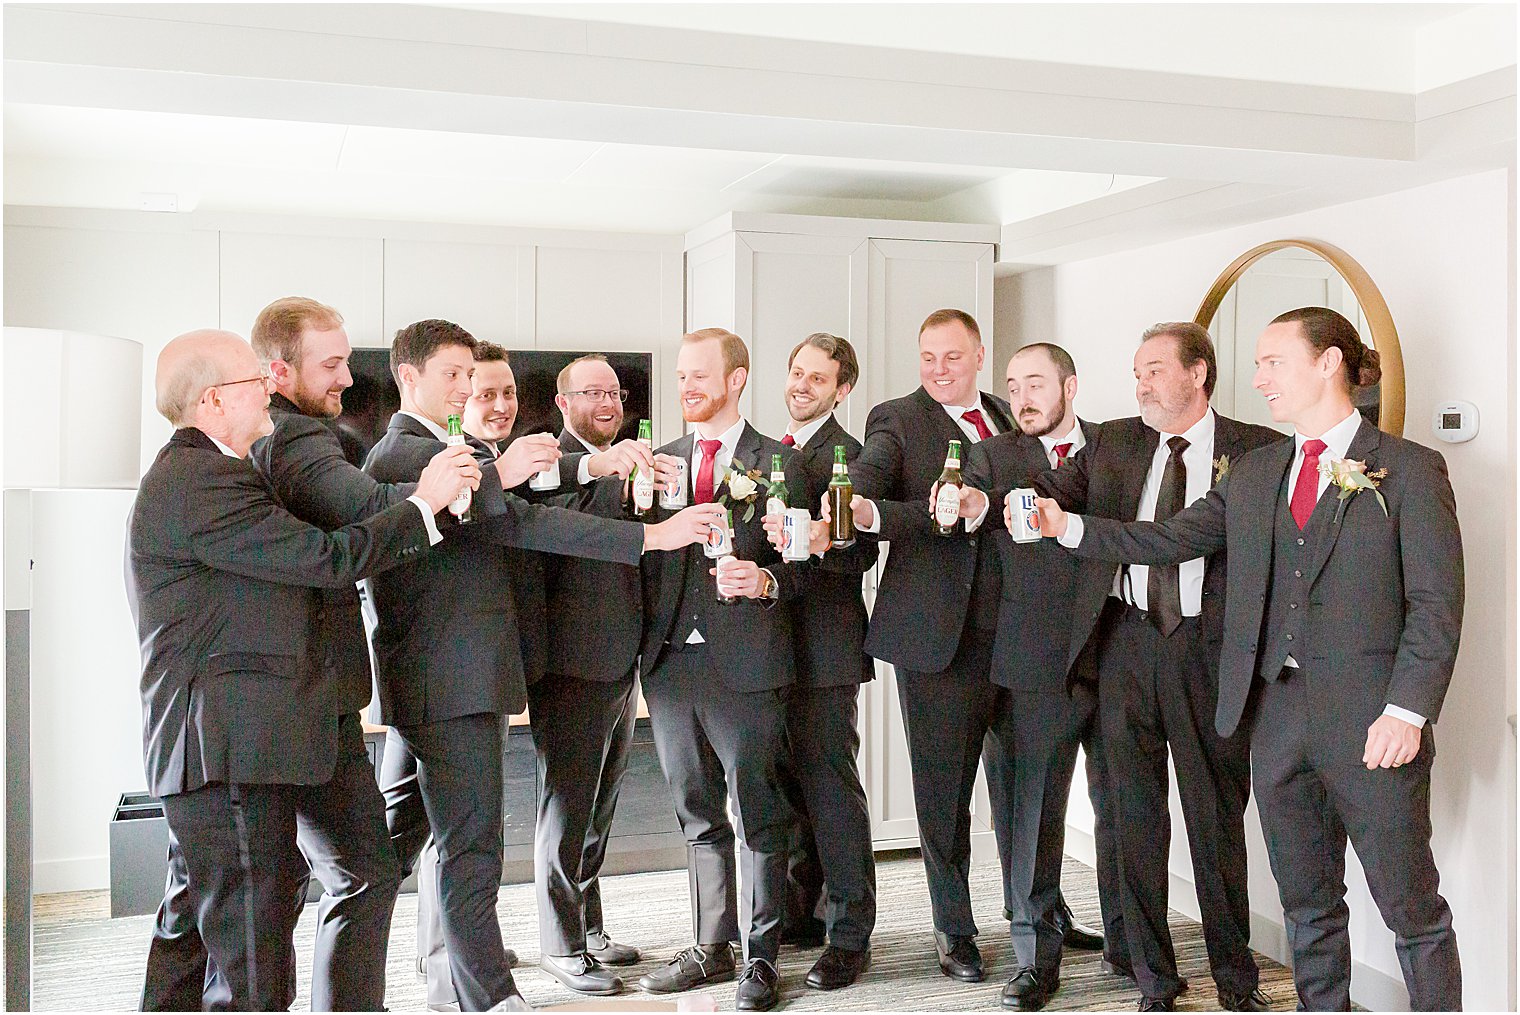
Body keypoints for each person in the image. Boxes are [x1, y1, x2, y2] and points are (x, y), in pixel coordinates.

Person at [1037, 307, 1464, 1012]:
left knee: (1411, 912)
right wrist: (1068, 525)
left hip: (1375, 727)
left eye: (1273, 362)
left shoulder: (1412, 470)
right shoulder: (1258, 471)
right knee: (1308, 907)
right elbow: (1169, 538)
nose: (1259, 377)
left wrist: (1407, 710)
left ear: (1329, 363)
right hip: (1277, 721)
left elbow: (1436, 606)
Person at [366, 319, 720, 1012]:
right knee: (460, 847)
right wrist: (652, 533)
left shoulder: (452, 449)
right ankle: (482, 992)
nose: (471, 391)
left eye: (477, 378)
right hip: (447, 677)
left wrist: (599, 471)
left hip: (456, 675)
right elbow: (528, 516)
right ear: (410, 377)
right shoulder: (407, 455)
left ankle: (443, 976)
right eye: (457, 378)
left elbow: (527, 510)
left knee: (408, 841)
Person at [126, 328, 478, 1011]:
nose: (267, 385)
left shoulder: (218, 470)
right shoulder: (203, 479)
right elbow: (324, 557)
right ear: (211, 400)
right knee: (249, 961)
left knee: (195, 934)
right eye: (251, 379)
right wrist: (423, 503)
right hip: (227, 747)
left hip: (248, 740)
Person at [982, 331, 1278, 1010]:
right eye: (1136, 372)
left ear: (1198, 373)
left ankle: (1237, 979)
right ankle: (1154, 978)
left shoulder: (1255, 448)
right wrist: (1017, 504)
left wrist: (1068, 525)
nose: (1140, 384)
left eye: (1154, 370)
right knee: (1134, 818)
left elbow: (1200, 542)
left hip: (1209, 651)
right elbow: (1047, 489)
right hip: (1125, 645)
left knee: (1216, 819)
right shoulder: (1115, 441)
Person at [635, 328, 813, 1012]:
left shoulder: (781, 463)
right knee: (696, 812)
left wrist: (763, 580)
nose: (686, 387)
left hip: (749, 664)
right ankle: (712, 945)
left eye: (699, 375)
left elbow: (808, 571)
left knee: (760, 813)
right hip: (673, 663)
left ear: (736, 379)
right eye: (681, 375)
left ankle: (761, 958)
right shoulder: (662, 460)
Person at [949, 342, 1127, 1009]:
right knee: (1033, 814)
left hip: (1117, 655)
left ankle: (1128, 943)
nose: (1021, 396)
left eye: (1036, 383)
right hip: (1032, 659)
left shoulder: (1116, 446)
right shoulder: (994, 456)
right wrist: (964, 503)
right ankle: (1035, 956)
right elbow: (974, 503)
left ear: (1070, 386)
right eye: (1012, 385)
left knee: (1125, 808)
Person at [841, 308, 1014, 985]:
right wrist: (864, 507)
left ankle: (1040, 910)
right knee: (944, 793)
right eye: (927, 357)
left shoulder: (1005, 413)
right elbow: (870, 477)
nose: (938, 369)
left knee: (1025, 788)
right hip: (937, 639)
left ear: (978, 353)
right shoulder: (896, 418)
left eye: (951, 356)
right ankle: (955, 927)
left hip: (1019, 634)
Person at [760, 333, 878, 991]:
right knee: (788, 785)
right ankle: (802, 915)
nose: (802, 383)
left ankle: (850, 932)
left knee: (831, 791)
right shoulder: (774, 452)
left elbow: (860, 555)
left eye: (818, 377)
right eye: (796, 370)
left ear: (842, 389)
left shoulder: (849, 457)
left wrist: (807, 542)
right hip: (771, 646)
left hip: (827, 649)